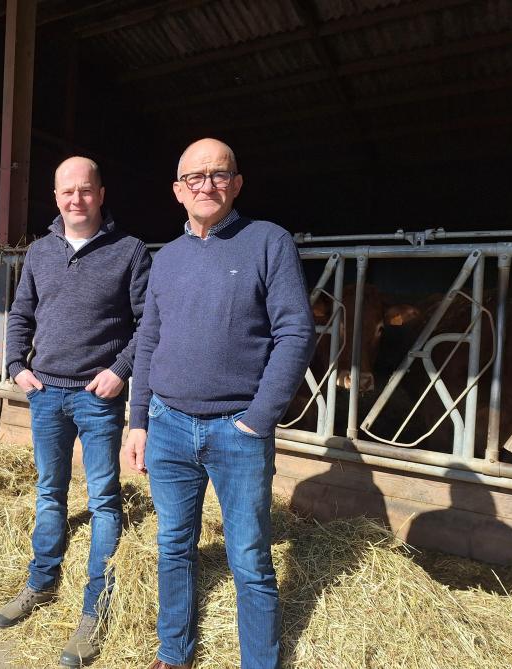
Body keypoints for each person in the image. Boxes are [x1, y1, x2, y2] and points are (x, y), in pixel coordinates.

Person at [123, 138, 315, 669]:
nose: (206, 185)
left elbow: (296, 333)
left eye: (217, 174)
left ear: (236, 183)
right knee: (174, 545)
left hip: (238, 430)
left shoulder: (267, 242)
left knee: (250, 558)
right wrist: (137, 422)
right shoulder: (167, 259)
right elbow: (148, 343)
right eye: (194, 178)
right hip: (168, 424)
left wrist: (258, 419)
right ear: (178, 192)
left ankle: (259, 662)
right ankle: (173, 652)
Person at [0, 156, 151, 667]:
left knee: (105, 498)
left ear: (101, 193)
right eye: (67, 192)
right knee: (49, 490)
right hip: (46, 394)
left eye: (85, 190)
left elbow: (147, 324)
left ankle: (95, 607)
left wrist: (120, 371)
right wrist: (17, 364)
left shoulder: (129, 252)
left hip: (97, 396)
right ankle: (41, 583)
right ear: (55, 196)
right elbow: (21, 311)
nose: (76, 199)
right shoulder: (40, 251)